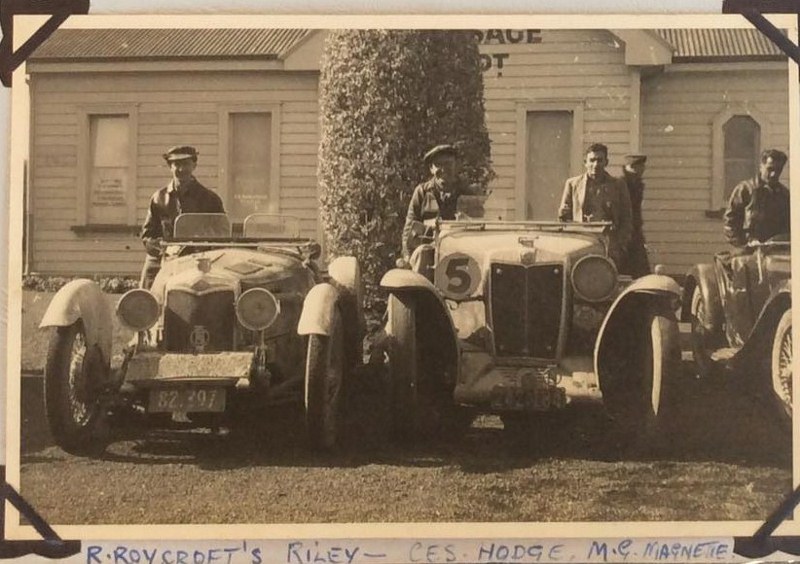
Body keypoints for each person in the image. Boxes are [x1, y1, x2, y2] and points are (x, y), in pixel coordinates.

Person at [139, 145, 225, 288]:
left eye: (186, 164)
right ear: (169, 167)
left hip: (197, 258)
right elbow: (147, 235)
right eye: (176, 164)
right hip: (164, 258)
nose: (181, 169)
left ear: (194, 165)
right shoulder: (158, 198)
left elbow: (222, 233)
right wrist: (158, 247)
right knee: (144, 296)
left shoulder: (209, 199)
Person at [557, 143, 632, 268]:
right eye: (592, 160)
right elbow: (563, 218)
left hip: (608, 247)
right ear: (585, 162)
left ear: (606, 162)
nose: (595, 165)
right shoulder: (572, 184)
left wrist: (619, 246)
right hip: (580, 245)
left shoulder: (618, 185)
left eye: (599, 160)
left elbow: (627, 219)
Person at [401, 144, 481, 260]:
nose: (443, 169)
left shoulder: (468, 192)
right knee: (420, 256)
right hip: (429, 251)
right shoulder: (422, 192)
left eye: (448, 164)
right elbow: (409, 228)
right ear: (431, 169)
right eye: (438, 164)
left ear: (457, 166)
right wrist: (407, 255)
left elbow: (479, 226)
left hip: (461, 251)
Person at [723, 148, 790, 250]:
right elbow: (730, 224)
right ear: (761, 167)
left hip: (775, 253)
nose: (774, 174)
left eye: (778, 170)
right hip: (746, 251)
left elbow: (789, 226)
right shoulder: (745, 190)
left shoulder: (784, 195)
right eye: (770, 169)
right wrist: (745, 242)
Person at [620, 153, 650, 277]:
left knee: (640, 267)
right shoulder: (621, 184)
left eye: (642, 167)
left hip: (635, 230)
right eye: (638, 167)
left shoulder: (638, 184)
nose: (641, 170)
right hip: (623, 230)